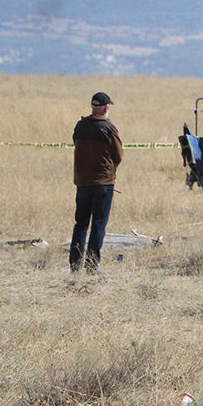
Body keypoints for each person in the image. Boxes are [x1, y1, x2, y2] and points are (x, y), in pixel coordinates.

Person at [70, 92, 123, 273]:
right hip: (103, 183)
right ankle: (92, 266)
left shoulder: (80, 126)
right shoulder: (109, 128)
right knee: (99, 223)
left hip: (82, 182)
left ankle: (75, 265)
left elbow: (75, 143)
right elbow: (119, 155)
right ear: (107, 108)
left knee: (81, 224)